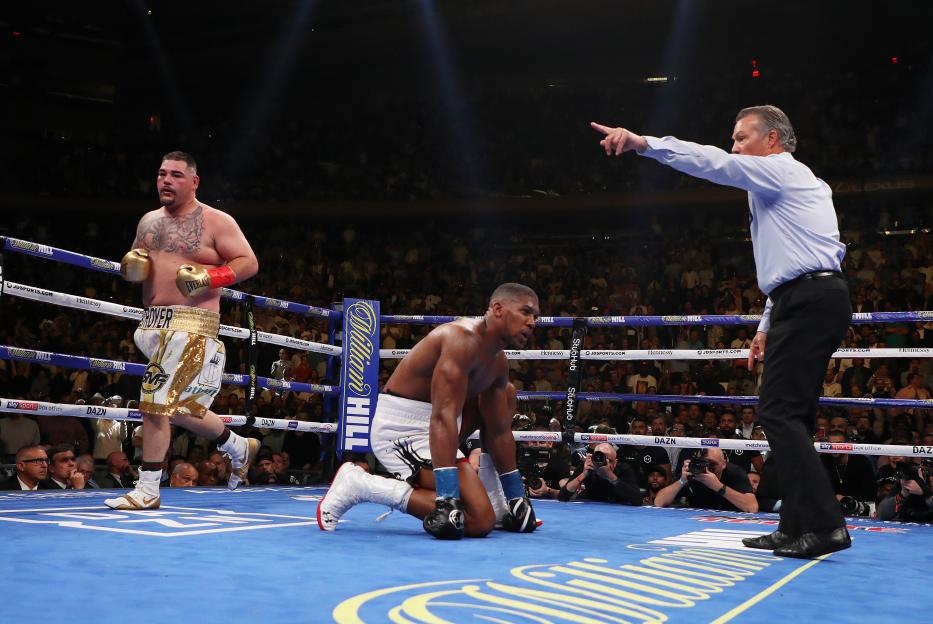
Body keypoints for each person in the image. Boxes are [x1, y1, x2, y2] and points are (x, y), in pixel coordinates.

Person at [592, 105, 851, 558]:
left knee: (777, 414)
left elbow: (712, 161)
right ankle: (794, 526)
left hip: (809, 301)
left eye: (741, 137)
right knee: (793, 419)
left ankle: (827, 525)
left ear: (771, 140)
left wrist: (644, 143)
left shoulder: (780, 172)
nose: (734, 147)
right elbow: (792, 262)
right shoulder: (788, 185)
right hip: (804, 299)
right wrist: (765, 325)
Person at [317, 283, 541, 539]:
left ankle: (498, 501)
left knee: (505, 394)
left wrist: (516, 496)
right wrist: (447, 499)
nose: (532, 322)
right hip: (403, 430)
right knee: (479, 521)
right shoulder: (461, 340)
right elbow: (442, 416)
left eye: (536, 316)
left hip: (440, 428)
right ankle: (360, 484)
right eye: (525, 312)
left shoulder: (498, 362)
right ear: (498, 309)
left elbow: (499, 430)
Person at [104, 150, 260, 511]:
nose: (166, 180)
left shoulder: (216, 221)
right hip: (152, 325)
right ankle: (238, 445)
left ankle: (147, 489)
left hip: (191, 325)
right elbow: (138, 265)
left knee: (153, 402)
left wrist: (210, 276)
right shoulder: (148, 221)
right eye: (162, 174)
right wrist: (132, 269)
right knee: (177, 408)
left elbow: (249, 262)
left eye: (175, 175)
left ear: (194, 182)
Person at [652, 448, 758, 512]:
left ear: (724, 464)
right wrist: (682, 481)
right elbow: (659, 502)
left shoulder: (734, 472)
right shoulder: (693, 472)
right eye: (703, 463)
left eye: (712, 464)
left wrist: (718, 487)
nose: (708, 468)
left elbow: (752, 507)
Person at [557, 443, 642, 506]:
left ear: (615, 462)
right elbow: (562, 497)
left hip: (617, 508)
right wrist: (584, 474)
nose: (605, 463)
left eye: (610, 460)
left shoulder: (623, 469)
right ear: (594, 458)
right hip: (591, 506)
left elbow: (638, 500)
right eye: (602, 459)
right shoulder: (587, 466)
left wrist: (611, 477)